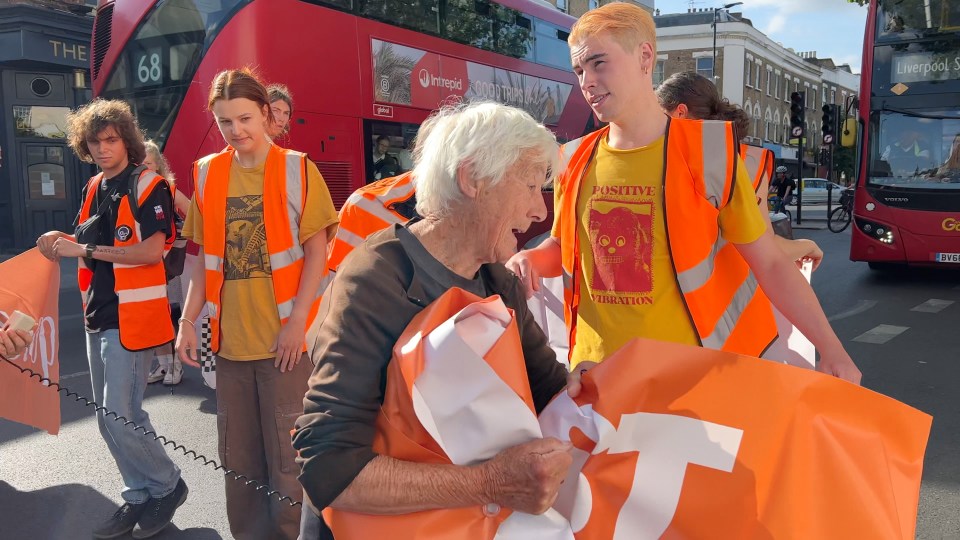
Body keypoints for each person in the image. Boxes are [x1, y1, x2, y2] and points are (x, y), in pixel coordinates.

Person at [506, 3, 861, 384]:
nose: (586, 81)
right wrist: (529, 258)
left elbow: (770, 264)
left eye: (598, 63)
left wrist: (832, 349)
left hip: (690, 381)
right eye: (579, 70)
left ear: (645, 57)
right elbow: (562, 247)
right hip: (596, 376)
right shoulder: (572, 158)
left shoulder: (710, 154)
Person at [293, 102, 583, 529]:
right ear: (472, 179)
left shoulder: (498, 282)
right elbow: (328, 468)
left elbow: (549, 391)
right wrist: (489, 483)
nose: (540, 212)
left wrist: (586, 386)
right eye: (529, 186)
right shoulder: (376, 279)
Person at [175, 68, 338, 540]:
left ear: (267, 114)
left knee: (290, 464)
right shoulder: (207, 172)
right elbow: (207, 258)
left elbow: (317, 253)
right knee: (239, 465)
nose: (236, 131)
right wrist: (188, 321)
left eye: (245, 118)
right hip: (229, 348)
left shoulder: (297, 167)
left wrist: (297, 324)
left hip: (285, 344)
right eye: (225, 122)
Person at [35, 98, 188, 539]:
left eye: (111, 139)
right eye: (94, 141)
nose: (102, 148)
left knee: (122, 412)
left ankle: (166, 485)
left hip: (131, 317)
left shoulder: (148, 184)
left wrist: (81, 249)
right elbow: (85, 240)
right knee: (108, 417)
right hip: (97, 314)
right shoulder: (93, 186)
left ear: (127, 140)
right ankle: (138, 495)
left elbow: (149, 251)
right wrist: (59, 237)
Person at [656, 71, 823, 268]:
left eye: (656, 113)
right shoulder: (744, 162)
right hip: (727, 292)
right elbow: (769, 250)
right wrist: (808, 246)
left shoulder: (654, 160)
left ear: (680, 113)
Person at [143, 140, 189, 386]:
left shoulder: (169, 188)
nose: (144, 167)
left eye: (148, 163)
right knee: (152, 318)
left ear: (158, 166)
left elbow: (193, 214)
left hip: (166, 267)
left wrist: (179, 232)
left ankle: (175, 366)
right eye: (139, 163)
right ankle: (164, 366)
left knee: (165, 316)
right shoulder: (132, 190)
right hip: (141, 266)